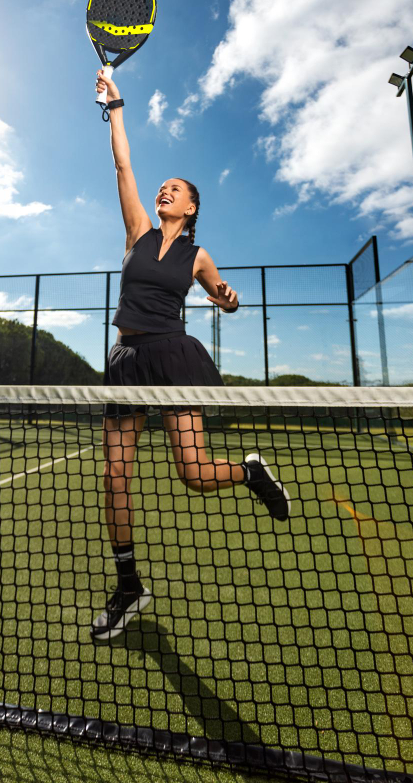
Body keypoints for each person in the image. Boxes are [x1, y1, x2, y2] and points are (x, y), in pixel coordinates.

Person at [91, 70, 289, 642]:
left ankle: (251, 472)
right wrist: (116, 105)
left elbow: (225, 299)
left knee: (195, 474)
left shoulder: (199, 254)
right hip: (127, 358)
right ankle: (129, 585)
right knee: (115, 475)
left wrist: (227, 299)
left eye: (174, 189)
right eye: (162, 189)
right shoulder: (137, 232)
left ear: (192, 205)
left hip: (174, 357)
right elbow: (123, 166)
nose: (163, 192)